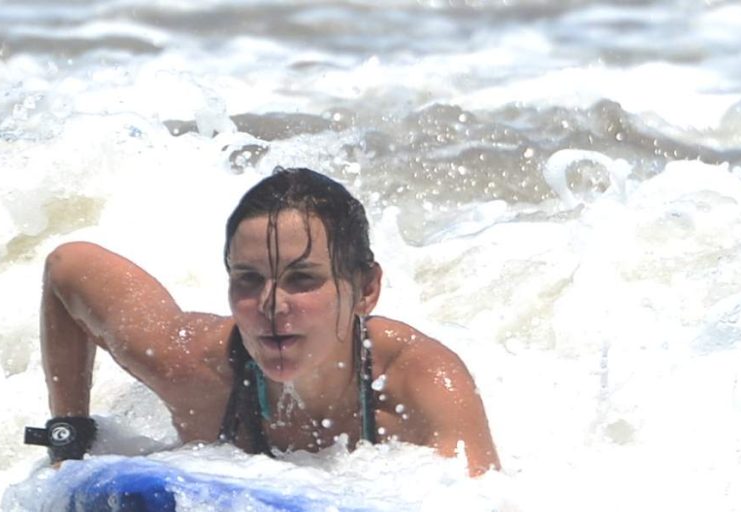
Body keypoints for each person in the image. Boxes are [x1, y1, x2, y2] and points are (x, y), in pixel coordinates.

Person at [25, 167, 500, 476]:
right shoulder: (193, 368)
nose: (271, 305)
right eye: (248, 279)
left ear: (366, 290)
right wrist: (69, 436)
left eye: (302, 279)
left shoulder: (419, 381)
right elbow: (69, 267)